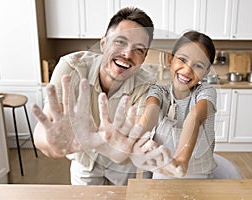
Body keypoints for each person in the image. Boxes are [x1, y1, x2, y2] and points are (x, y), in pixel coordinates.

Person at [32, 7, 171, 186]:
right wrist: (53, 145)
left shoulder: (147, 85)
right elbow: (46, 127)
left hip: (121, 164)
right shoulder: (71, 68)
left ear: (143, 58)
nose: (128, 54)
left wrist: (119, 145)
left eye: (139, 50)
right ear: (103, 43)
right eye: (120, 42)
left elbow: (133, 138)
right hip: (83, 159)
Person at [135, 30, 217, 178]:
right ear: (170, 59)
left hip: (199, 175)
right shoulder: (158, 91)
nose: (187, 70)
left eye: (198, 65)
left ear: (206, 72)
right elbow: (150, 114)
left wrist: (181, 160)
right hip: (161, 171)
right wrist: (134, 138)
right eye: (182, 60)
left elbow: (194, 118)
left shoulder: (206, 92)